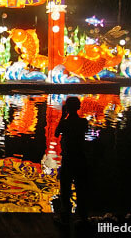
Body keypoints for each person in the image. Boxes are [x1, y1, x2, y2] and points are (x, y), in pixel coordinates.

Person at [55, 96, 90, 224]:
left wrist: (62, 116)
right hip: (80, 158)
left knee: (65, 188)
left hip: (68, 158)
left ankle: (65, 215)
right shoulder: (83, 122)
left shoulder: (65, 123)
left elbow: (56, 133)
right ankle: (83, 216)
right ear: (78, 107)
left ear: (67, 109)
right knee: (81, 188)